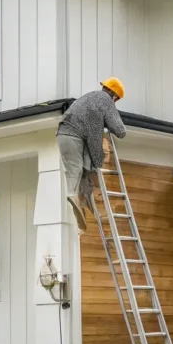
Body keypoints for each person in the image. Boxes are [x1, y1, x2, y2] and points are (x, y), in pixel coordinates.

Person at [56, 78, 126, 232]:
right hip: (72, 135)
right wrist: (99, 161)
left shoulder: (89, 97)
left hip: (63, 134)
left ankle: (82, 201)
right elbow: (120, 131)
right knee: (77, 169)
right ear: (114, 96)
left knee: (81, 170)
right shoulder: (105, 101)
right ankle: (75, 197)